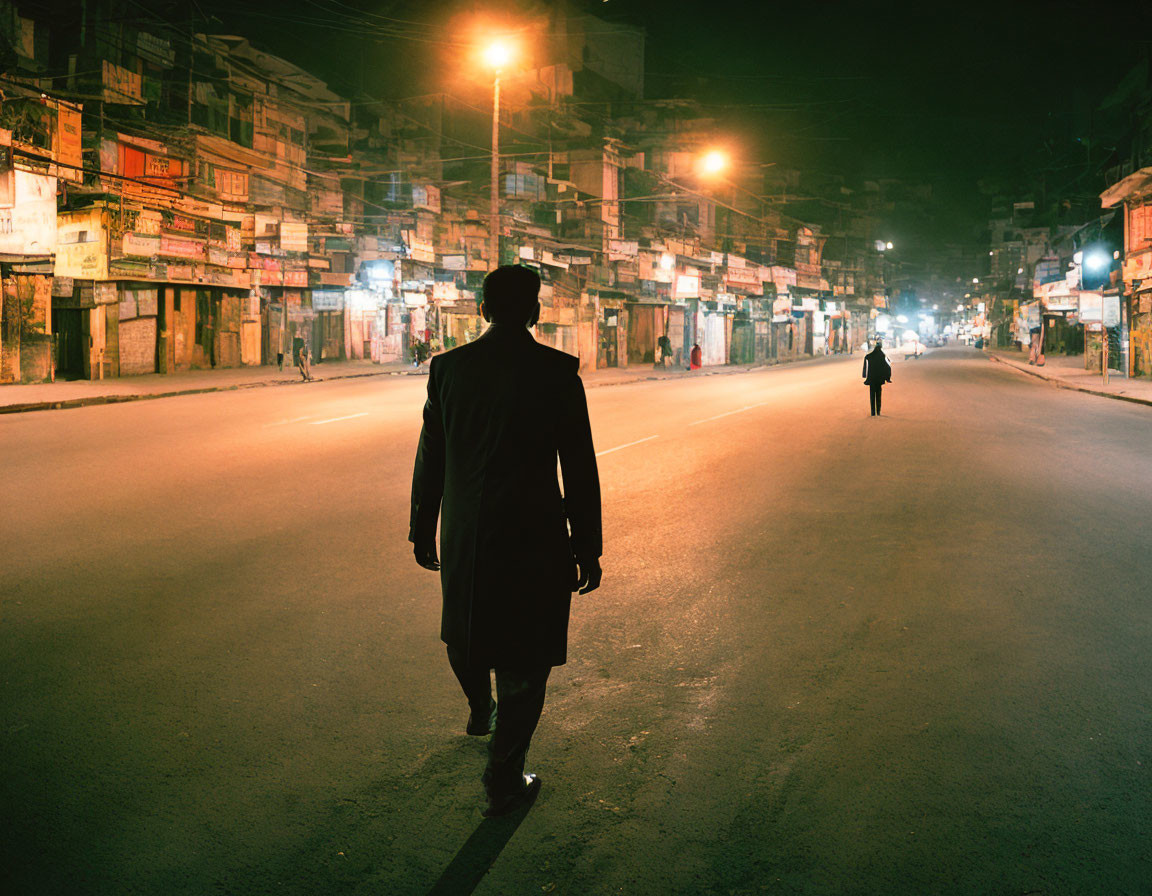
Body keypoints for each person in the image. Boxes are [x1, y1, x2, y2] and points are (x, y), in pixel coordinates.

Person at [410, 264, 603, 818]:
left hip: (468, 532)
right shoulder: (558, 372)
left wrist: (423, 525)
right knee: (526, 656)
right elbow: (579, 466)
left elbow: (432, 458)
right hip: (536, 533)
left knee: (466, 631)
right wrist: (586, 543)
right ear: (535, 312)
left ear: (482, 310)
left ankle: (479, 708)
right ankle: (502, 776)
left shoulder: (448, 370)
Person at [862, 337, 891, 416]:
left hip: (871, 379)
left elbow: (866, 359)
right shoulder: (882, 356)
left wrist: (864, 375)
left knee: (872, 396)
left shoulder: (870, 356)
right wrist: (887, 378)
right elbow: (888, 367)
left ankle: (873, 412)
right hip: (879, 379)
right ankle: (878, 411)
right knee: (878, 395)